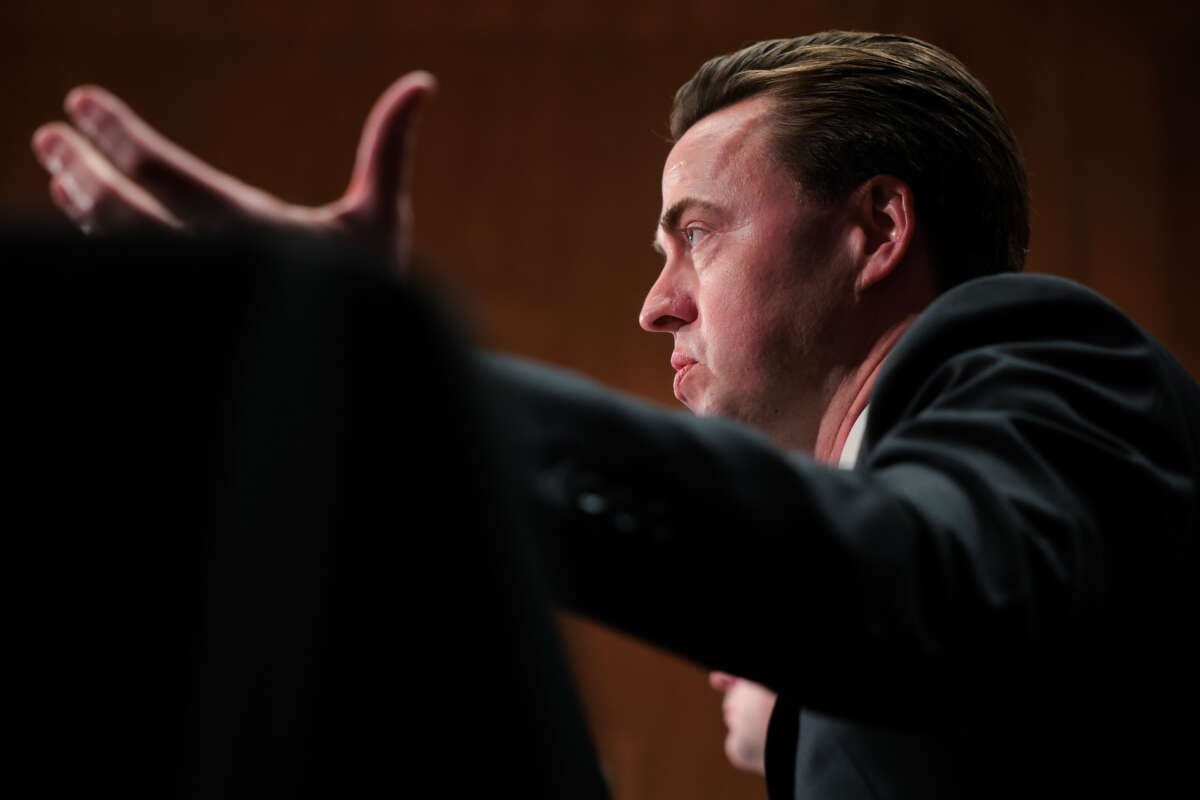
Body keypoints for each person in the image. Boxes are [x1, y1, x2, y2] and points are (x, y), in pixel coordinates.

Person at [31, 31, 1200, 799]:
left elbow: (920, 582)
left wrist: (393, 375)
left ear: (878, 232)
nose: (654, 304)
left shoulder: (1047, 354)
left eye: (695, 231)